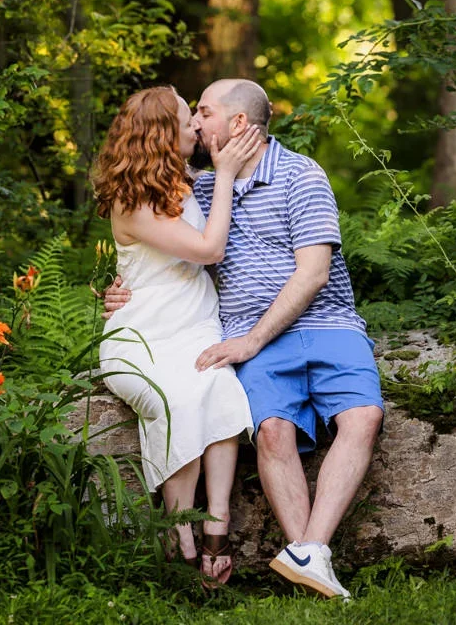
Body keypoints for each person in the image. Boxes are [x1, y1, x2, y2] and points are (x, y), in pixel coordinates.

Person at [104, 79, 384, 599]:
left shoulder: (302, 175)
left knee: (364, 416)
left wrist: (252, 341)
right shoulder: (205, 188)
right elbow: (160, 240)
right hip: (239, 335)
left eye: (203, 113)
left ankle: (308, 553)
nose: (196, 124)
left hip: (326, 325)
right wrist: (121, 290)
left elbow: (313, 273)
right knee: (272, 432)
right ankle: (307, 561)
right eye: (192, 116)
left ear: (237, 125)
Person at [94, 86, 260, 584]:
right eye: (189, 120)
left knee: (219, 387)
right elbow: (208, 249)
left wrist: (223, 174)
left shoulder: (187, 181)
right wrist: (227, 175)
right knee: (177, 398)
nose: (195, 128)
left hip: (195, 326)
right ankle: (180, 532)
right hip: (143, 338)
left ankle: (216, 523)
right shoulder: (131, 200)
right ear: (163, 134)